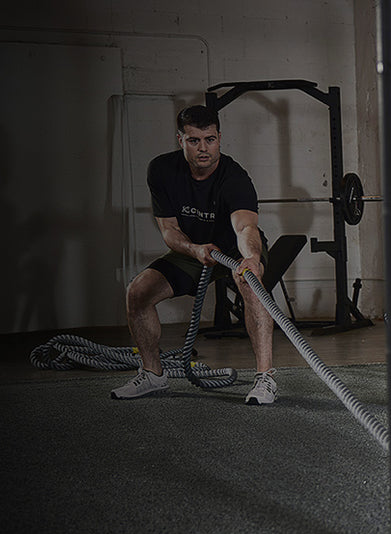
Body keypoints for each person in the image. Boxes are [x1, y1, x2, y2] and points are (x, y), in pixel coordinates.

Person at [111, 105, 277, 405]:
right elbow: (169, 231)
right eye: (194, 140)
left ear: (219, 138)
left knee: (252, 286)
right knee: (138, 291)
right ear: (180, 140)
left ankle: (265, 378)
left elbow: (245, 228)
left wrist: (251, 258)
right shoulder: (161, 170)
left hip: (234, 248)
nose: (203, 148)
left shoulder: (235, 177)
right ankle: (153, 376)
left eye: (210, 140)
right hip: (194, 247)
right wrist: (194, 249)